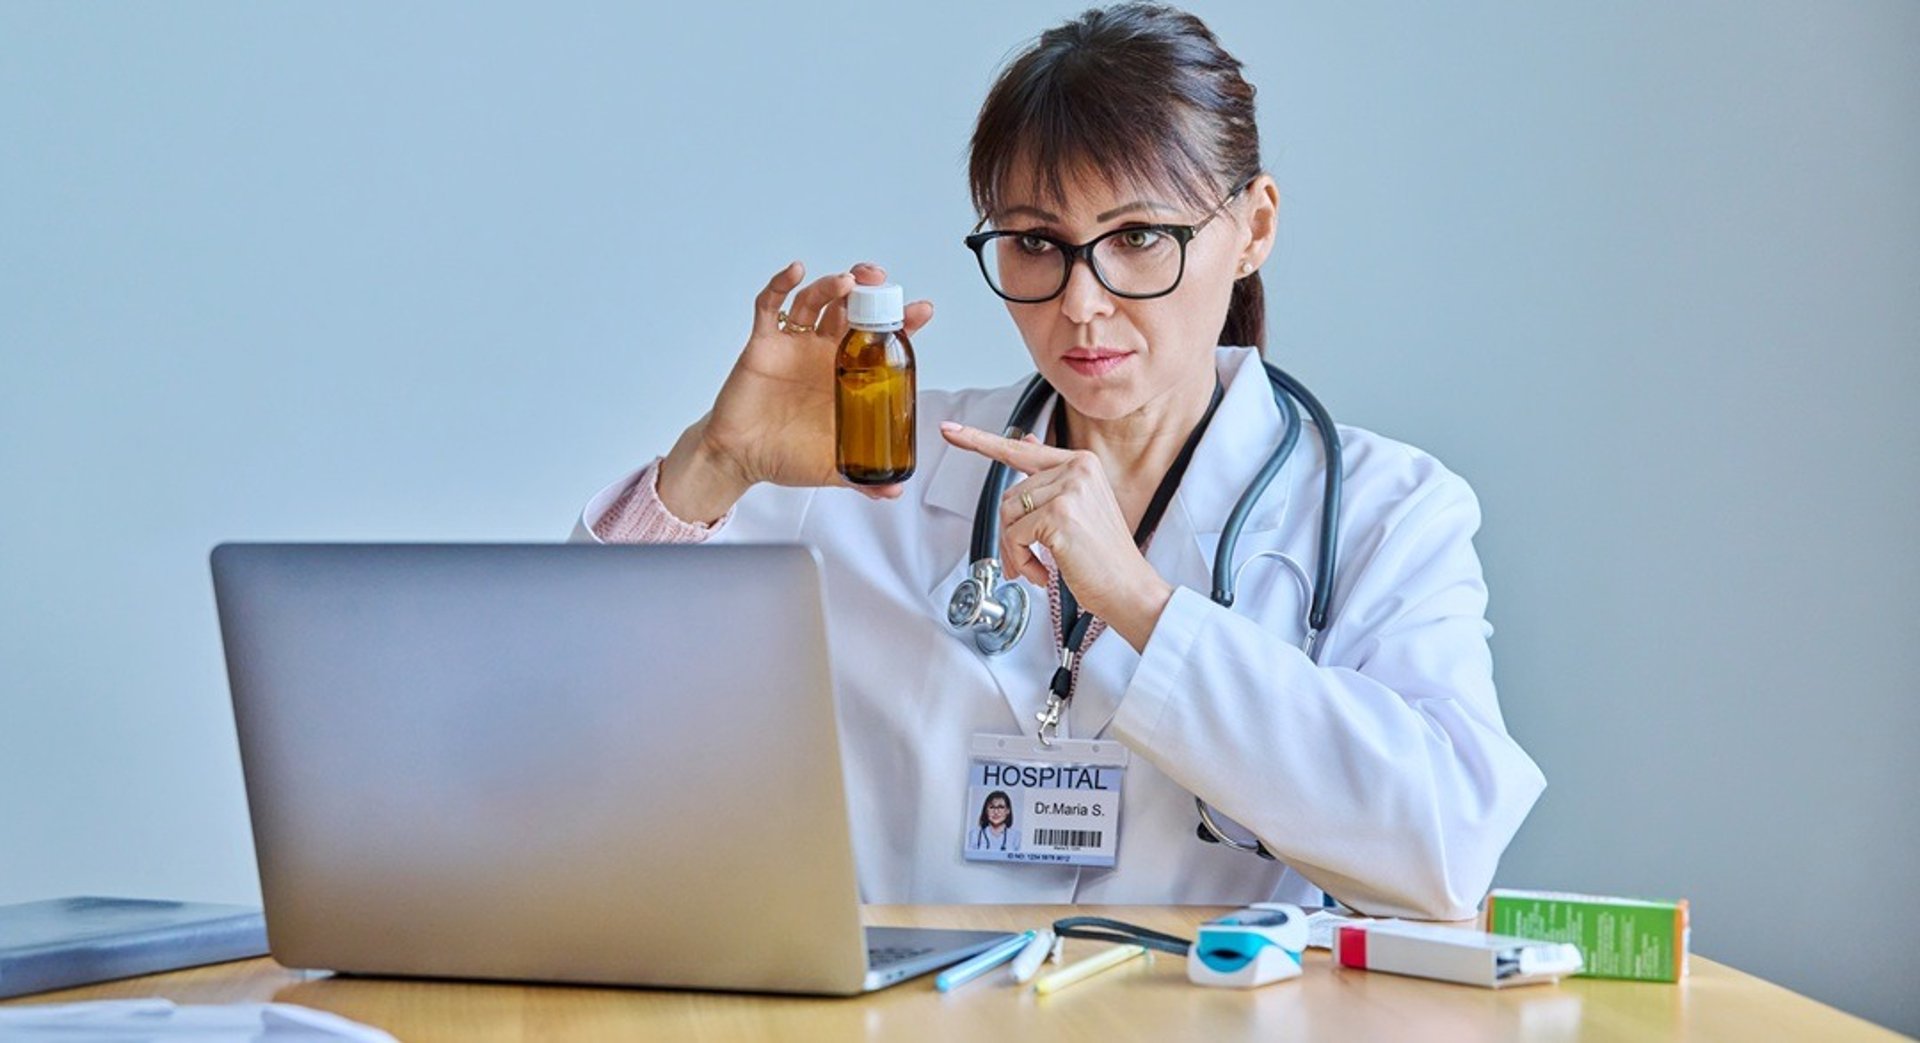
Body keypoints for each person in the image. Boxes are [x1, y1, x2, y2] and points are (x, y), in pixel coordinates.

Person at [572, 3, 1544, 919]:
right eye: (1037, 242)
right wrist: (716, 462)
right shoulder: (873, 475)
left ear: (1253, 227)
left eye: (1138, 238)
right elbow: (568, 705)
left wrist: (1140, 602)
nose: (1083, 301)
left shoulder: (1386, 509)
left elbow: (1447, 848)